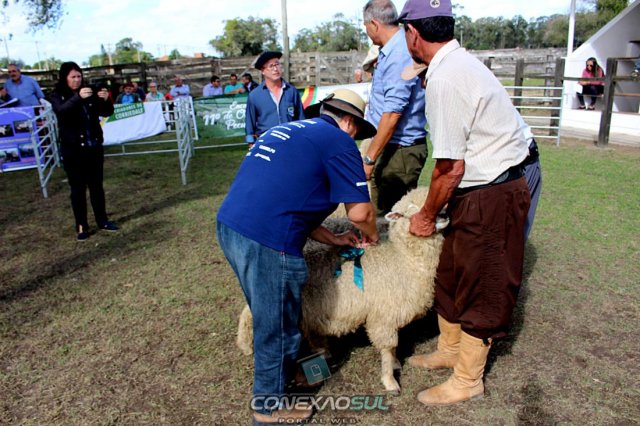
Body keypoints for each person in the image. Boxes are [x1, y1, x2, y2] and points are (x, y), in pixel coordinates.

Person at [217, 88, 379, 425]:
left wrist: (333, 238)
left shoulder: (288, 130)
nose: (355, 138)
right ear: (349, 122)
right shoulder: (340, 142)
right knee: (276, 326)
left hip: (232, 226)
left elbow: (288, 197)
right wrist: (373, 237)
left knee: (277, 313)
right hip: (268, 240)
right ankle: (268, 409)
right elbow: (361, 213)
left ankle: (300, 372)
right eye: (357, 132)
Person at [399, 0, 531, 406]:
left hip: (491, 190)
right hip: (474, 188)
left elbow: (450, 166)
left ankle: (468, 378)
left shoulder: (445, 77)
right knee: (452, 271)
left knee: (483, 280)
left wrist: (426, 215)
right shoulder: (457, 64)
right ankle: (451, 348)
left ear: (413, 33)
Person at [362, 0, 428, 216]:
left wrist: (369, 159)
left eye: (365, 25)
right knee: (382, 211)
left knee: (391, 218)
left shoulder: (399, 54)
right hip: (390, 145)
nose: (366, 31)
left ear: (374, 24)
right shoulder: (391, 50)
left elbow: (392, 113)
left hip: (398, 150)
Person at [48, 62, 119, 241]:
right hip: (73, 150)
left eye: (79, 76)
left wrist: (105, 99)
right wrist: (78, 98)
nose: (77, 80)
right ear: (65, 78)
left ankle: (102, 220)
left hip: (93, 146)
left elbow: (107, 112)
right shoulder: (57, 95)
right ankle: (81, 226)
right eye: (73, 77)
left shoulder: (88, 92)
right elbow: (61, 112)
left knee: (97, 186)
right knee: (78, 189)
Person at [244, 51, 305, 147]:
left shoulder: (291, 91)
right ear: (263, 71)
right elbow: (250, 124)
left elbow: (301, 119)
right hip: (267, 144)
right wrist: (251, 144)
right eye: (271, 66)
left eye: (277, 64)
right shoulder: (254, 95)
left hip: (291, 142)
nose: (275, 69)